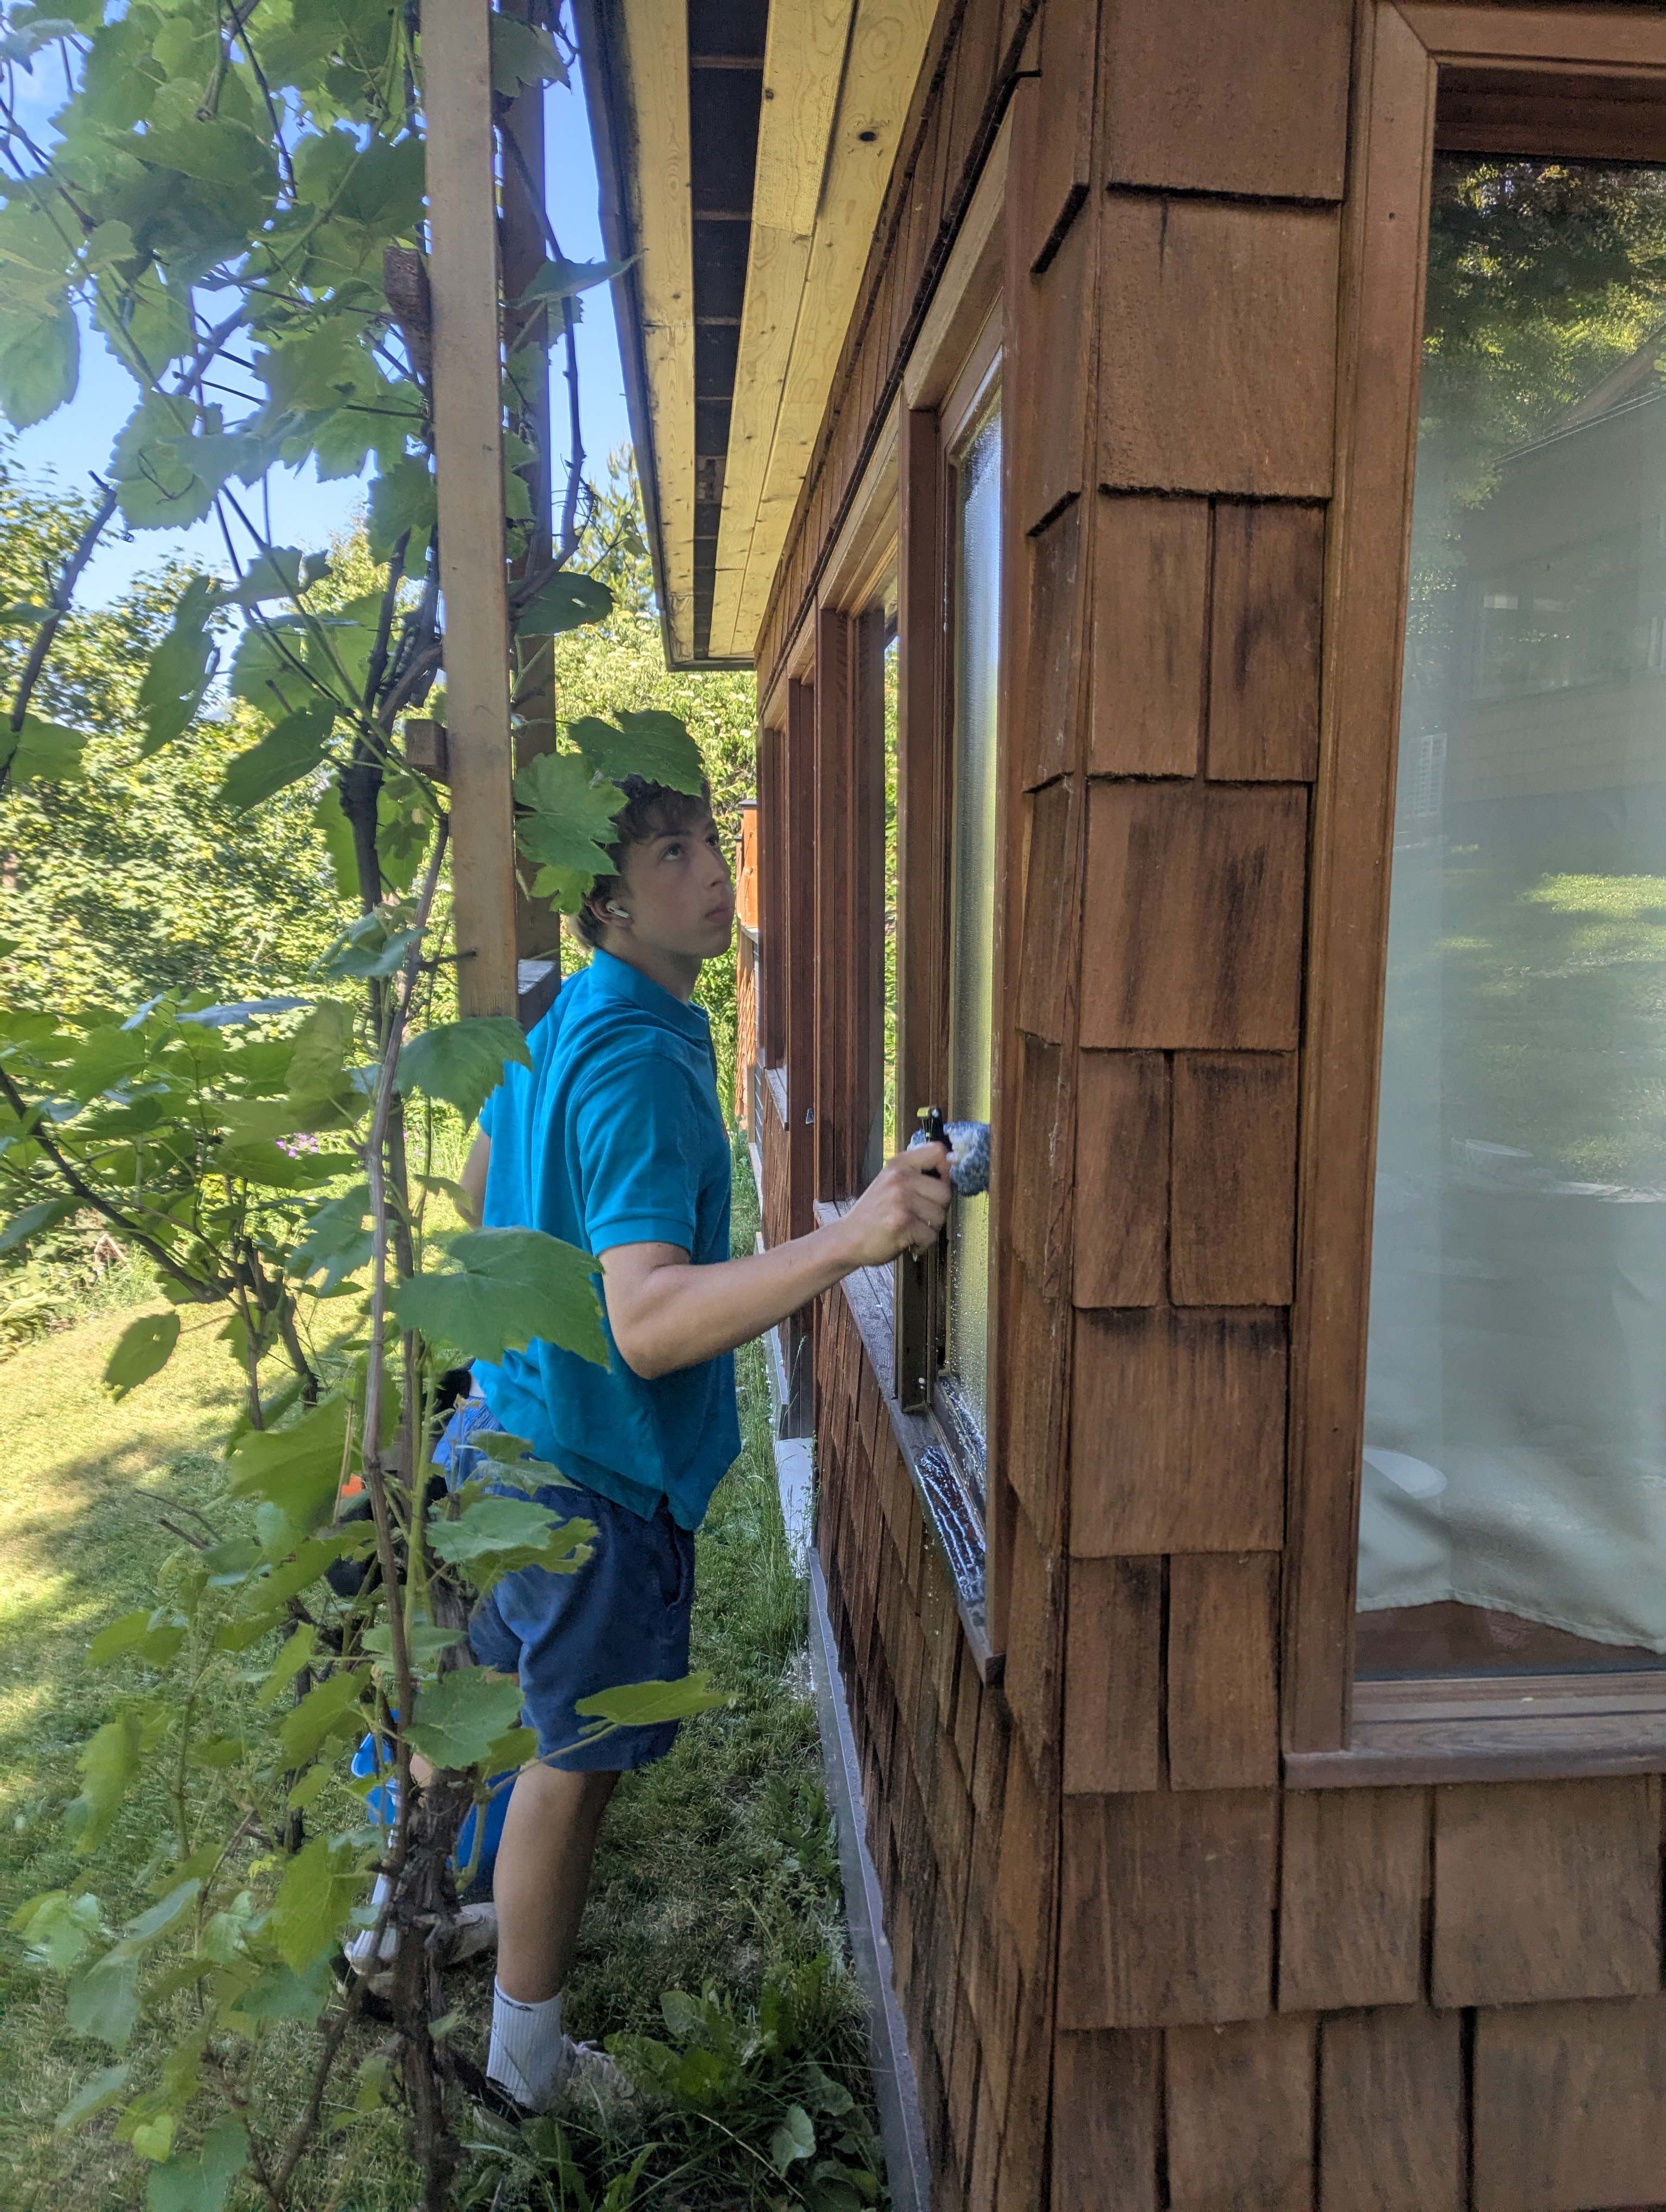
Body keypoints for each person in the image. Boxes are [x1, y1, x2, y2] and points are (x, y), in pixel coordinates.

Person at [446, 774, 952, 2114]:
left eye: (712, 846)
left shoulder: (563, 1018)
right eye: (675, 857)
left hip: (505, 1432)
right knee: (574, 1764)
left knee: (494, 1704)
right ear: (611, 900)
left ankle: (401, 1922)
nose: (717, 878)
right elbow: (653, 1324)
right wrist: (850, 1237)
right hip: (590, 1472)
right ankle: (526, 2076)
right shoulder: (645, 1064)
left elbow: (477, 1185)